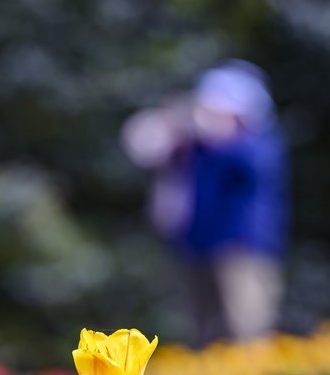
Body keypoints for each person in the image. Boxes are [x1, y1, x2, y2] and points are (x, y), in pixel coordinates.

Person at [122, 60, 289, 344]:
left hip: (243, 247)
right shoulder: (195, 145)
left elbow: (250, 167)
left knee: (246, 327)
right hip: (196, 245)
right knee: (202, 330)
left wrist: (213, 135)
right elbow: (145, 149)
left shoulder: (256, 142)